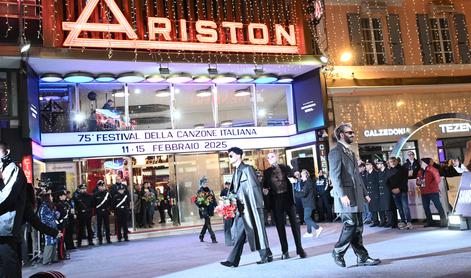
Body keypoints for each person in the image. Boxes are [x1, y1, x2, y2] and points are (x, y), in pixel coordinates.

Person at [0, 142, 60, 277]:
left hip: (5, 234)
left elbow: (7, 198)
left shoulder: (12, 169)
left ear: (6, 152)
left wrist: (53, 232)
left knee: (9, 271)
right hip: (6, 234)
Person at [328, 123, 380, 268]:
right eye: (350, 132)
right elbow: (335, 175)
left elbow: (357, 176)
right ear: (341, 135)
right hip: (346, 197)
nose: (353, 134)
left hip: (356, 195)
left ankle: (362, 257)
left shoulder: (350, 152)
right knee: (350, 225)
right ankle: (337, 252)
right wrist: (342, 194)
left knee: (358, 228)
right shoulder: (335, 152)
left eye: (353, 132)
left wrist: (364, 193)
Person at [220, 147, 273, 267]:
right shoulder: (236, 171)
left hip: (250, 207)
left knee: (256, 230)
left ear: (238, 155)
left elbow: (255, 188)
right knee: (240, 234)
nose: (229, 158)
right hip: (241, 208)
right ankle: (233, 260)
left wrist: (256, 207)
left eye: (231, 155)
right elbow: (235, 190)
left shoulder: (247, 169)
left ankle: (265, 255)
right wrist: (228, 200)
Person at [262, 152, 306, 260]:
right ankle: (284, 251)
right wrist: (265, 191)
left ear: (277, 157)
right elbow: (264, 187)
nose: (270, 158)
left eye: (272, 156)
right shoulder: (266, 172)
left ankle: (299, 249)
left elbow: (294, 179)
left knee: (295, 225)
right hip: (276, 201)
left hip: (288, 199)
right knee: (280, 227)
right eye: (268, 157)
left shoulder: (285, 167)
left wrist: (295, 178)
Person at [417, 158, 447, 227]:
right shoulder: (420, 171)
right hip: (424, 192)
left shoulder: (433, 169)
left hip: (433, 191)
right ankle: (430, 221)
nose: (420, 164)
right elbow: (418, 180)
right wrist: (418, 183)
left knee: (438, 206)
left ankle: (443, 221)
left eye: (421, 162)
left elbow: (437, 180)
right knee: (426, 207)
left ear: (425, 163)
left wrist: (430, 186)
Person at [387, 157, 413, 230]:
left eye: (393, 161)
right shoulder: (389, 171)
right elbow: (387, 182)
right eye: (390, 162)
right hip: (394, 192)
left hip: (403, 190)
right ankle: (403, 221)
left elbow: (404, 180)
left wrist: (399, 188)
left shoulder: (403, 169)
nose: (392, 163)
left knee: (405, 207)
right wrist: (392, 190)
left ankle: (409, 222)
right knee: (399, 208)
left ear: (396, 161)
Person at [296, 169, 323, 238]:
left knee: (306, 218)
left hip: (309, 203)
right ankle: (309, 232)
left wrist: (294, 192)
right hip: (308, 203)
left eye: (301, 176)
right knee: (308, 217)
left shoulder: (308, 183)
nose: (301, 177)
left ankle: (317, 228)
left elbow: (303, 194)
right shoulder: (308, 182)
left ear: (305, 175)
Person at [195, 176, 217, 243]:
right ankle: (213, 238)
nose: (205, 183)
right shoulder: (199, 191)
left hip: (210, 209)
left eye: (206, 182)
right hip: (203, 209)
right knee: (208, 223)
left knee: (206, 223)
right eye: (204, 182)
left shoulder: (210, 191)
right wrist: (201, 203)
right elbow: (197, 201)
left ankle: (201, 236)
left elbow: (214, 199)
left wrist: (216, 206)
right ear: (201, 183)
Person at [39, 191, 58, 265]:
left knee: (54, 241)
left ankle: (53, 258)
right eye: (51, 196)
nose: (52, 197)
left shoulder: (49, 205)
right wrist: (54, 214)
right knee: (49, 242)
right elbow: (43, 218)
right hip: (48, 227)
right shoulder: (44, 206)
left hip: (53, 226)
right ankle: (46, 260)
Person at [375, 160, 394, 227]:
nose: (377, 165)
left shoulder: (388, 171)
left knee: (388, 207)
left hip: (387, 191)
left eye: (378, 164)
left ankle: (391, 222)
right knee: (384, 207)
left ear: (382, 164)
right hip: (381, 192)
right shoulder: (379, 172)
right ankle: (386, 221)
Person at [54, 190, 71, 260]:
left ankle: (62, 253)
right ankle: (61, 255)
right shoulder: (59, 205)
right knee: (61, 240)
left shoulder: (64, 204)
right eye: (63, 195)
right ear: (60, 197)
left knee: (62, 240)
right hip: (61, 224)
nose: (65, 196)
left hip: (64, 223)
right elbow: (61, 215)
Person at [93, 180, 112, 244]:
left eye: (103, 186)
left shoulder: (107, 194)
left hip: (106, 211)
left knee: (107, 226)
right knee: (99, 226)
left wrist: (109, 210)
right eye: (100, 186)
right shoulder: (95, 194)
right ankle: (100, 240)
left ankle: (108, 239)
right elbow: (93, 204)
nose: (102, 187)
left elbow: (110, 202)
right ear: (98, 187)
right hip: (99, 212)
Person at [364, 160, 380, 227]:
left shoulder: (376, 173)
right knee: (372, 208)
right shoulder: (367, 174)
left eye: (367, 165)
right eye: (366, 165)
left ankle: (382, 221)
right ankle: (375, 221)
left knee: (377, 208)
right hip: (369, 193)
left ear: (371, 166)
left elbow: (377, 183)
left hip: (375, 192)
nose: (366, 166)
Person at [220, 182, 234, 246]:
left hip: (230, 209)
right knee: (227, 225)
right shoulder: (223, 191)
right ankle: (228, 240)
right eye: (227, 185)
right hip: (226, 209)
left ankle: (230, 239)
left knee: (230, 225)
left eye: (229, 185)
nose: (228, 186)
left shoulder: (231, 191)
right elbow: (221, 200)